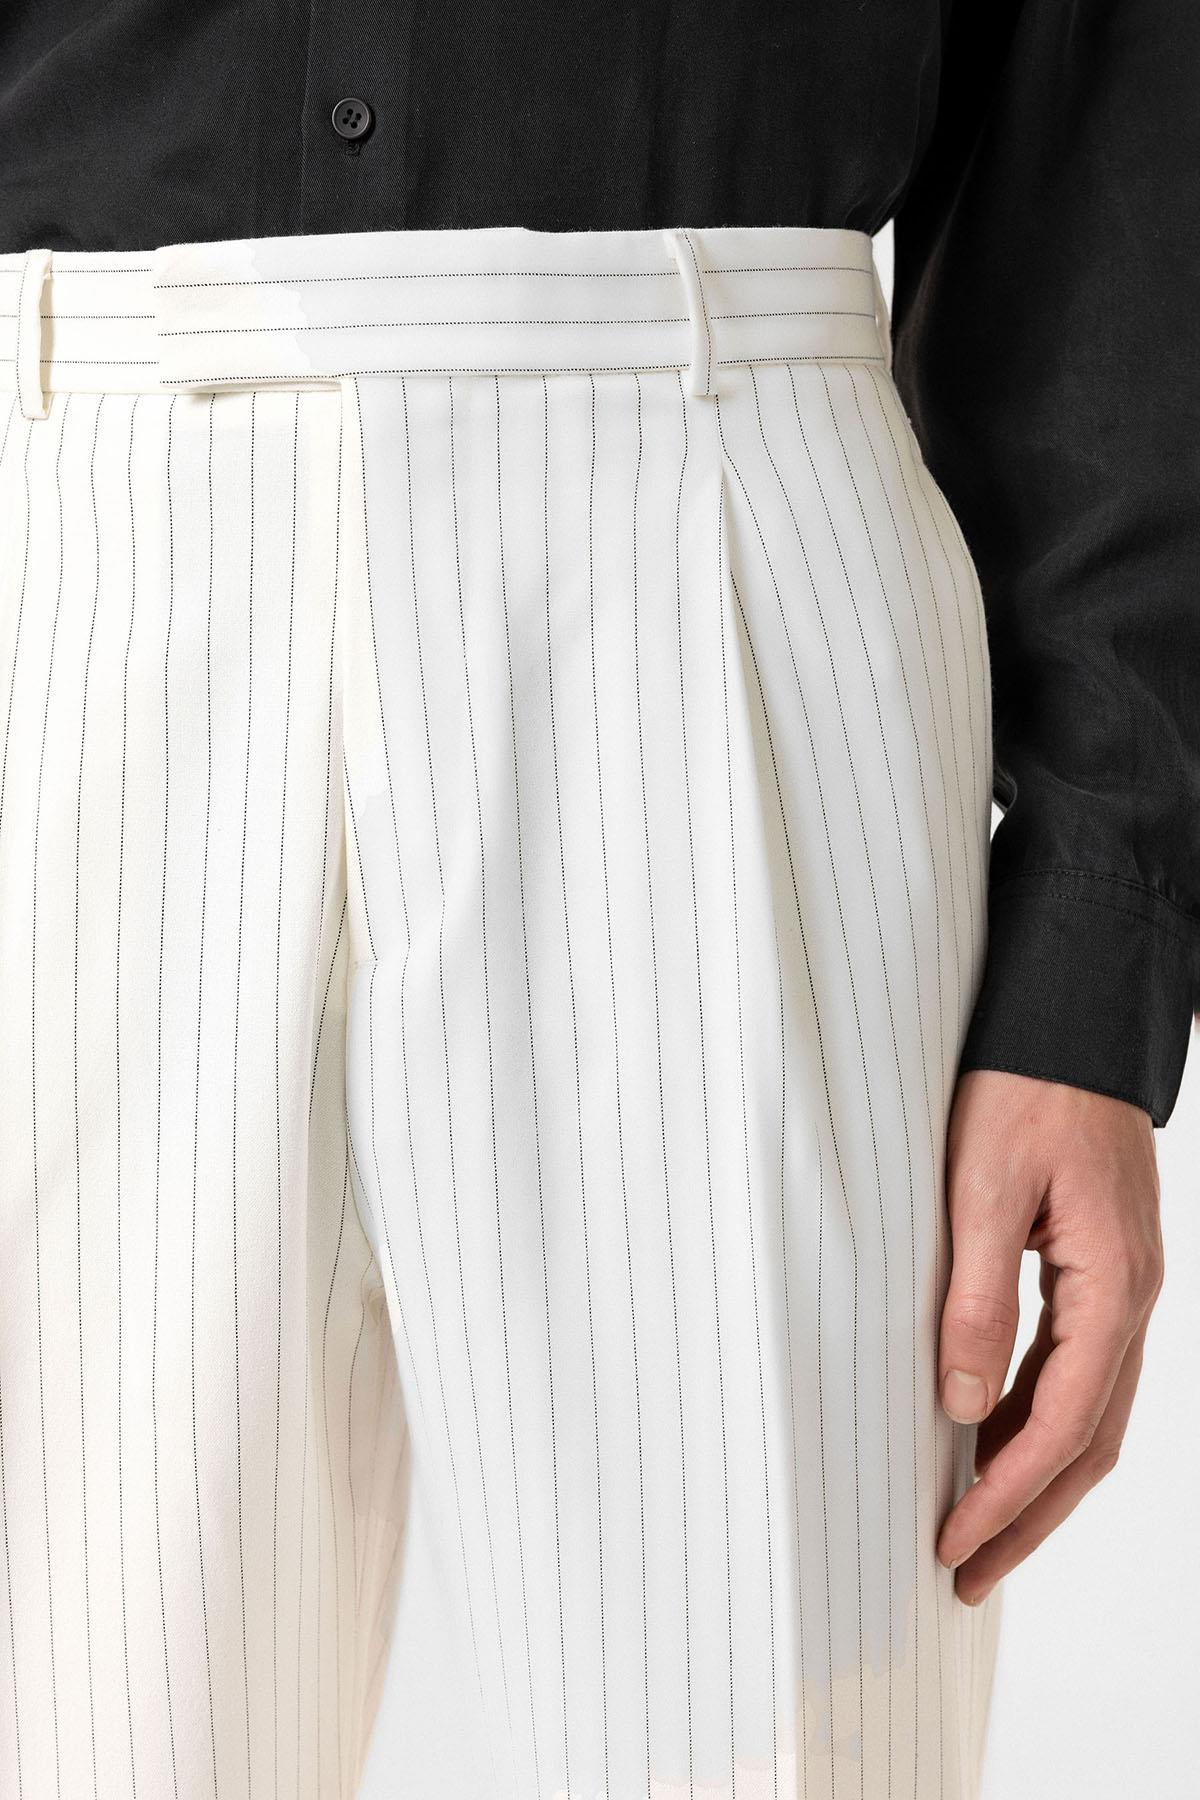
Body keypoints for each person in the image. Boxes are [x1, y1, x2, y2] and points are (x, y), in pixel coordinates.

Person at [0, 4, 1193, 1798]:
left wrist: (1097, 949)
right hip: (67, 526)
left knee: (775, 1752)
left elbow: (1103, 88)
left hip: (716, 503)